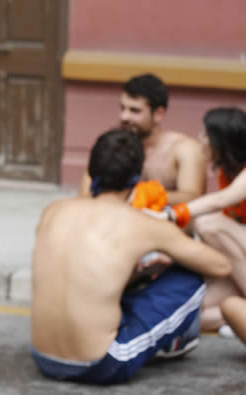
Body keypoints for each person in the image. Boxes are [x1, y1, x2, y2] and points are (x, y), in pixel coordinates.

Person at [31, 128, 231, 385]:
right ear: (137, 180)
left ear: (91, 172)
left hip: (42, 356)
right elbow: (220, 266)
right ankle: (170, 341)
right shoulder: (141, 223)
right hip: (99, 363)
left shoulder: (54, 211)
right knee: (189, 277)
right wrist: (170, 256)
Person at [160, 106, 246, 338]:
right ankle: (236, 316)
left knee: (209, 223)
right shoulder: (227, 173)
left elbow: (220, 201)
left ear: (222, 142)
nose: (200, 141)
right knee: (199, 308)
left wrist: (170, 215)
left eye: (205, 135)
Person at [81, 73, 206, 204]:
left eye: (134, 111)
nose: (124, 116)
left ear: (159, 114)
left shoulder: (185, 149)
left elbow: (193, 199)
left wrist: (144, 196)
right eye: (122, 108)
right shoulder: (111, 146)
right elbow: (85, 196)